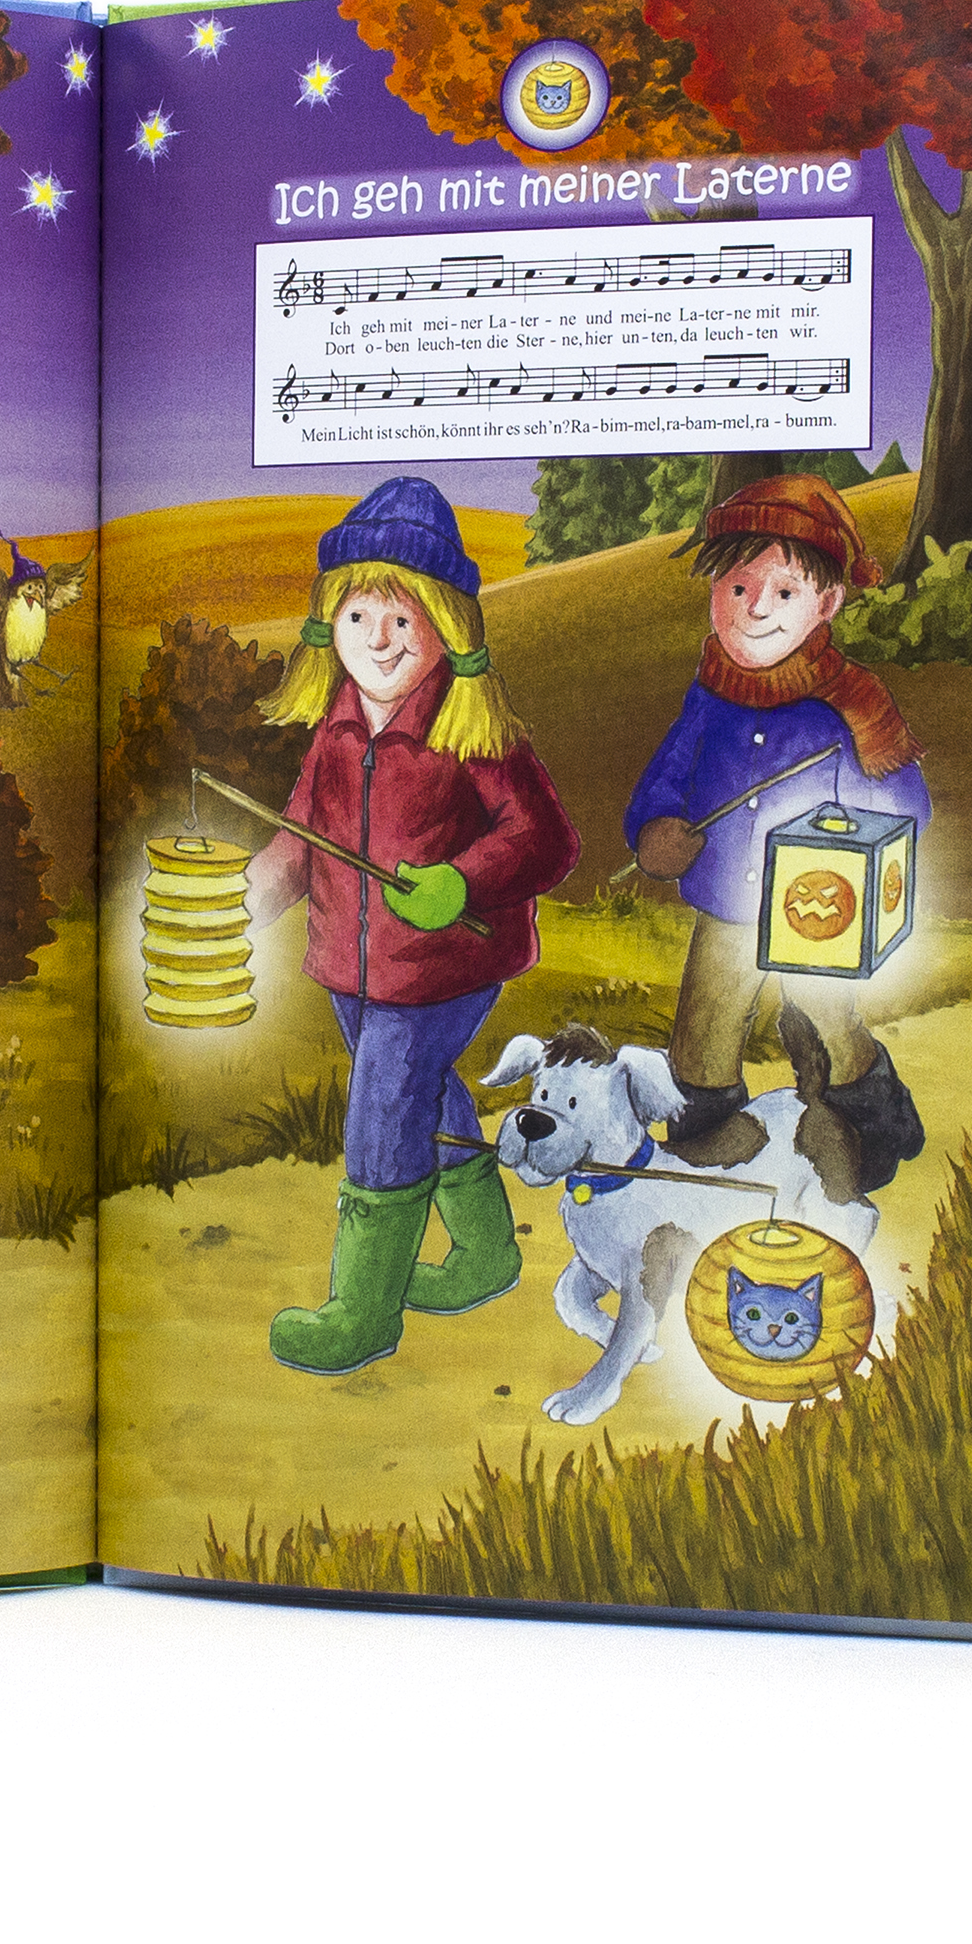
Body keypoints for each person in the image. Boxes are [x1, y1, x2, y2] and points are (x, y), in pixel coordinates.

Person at [245, 478, 579, 1377]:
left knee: (384, 1110)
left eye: (404, 618)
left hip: (447, 965)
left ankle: (363, 1310)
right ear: (329, 625)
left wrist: (461, 880)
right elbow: (300, 836)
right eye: (359, 617)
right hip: (352, 967)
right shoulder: (335, 732)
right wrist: (250, 896)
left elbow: (546, 839)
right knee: (420, 1094)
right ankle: (486, 1252)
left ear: (447, 627)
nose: (380, 639)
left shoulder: (475, 728)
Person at [625, 474, 931, 1197]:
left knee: (829, 1024)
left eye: (784, 592)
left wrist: (856, 837)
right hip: (727, 905)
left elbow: (905, 807)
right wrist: (656, 828)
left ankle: (872, 1125)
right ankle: (706, 1149)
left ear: (828, 604)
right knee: (701, 1034)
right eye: (738, 587)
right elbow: (669, 773)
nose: (756, 608)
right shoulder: (709, 696)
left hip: (820, 912)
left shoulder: (852, 705)